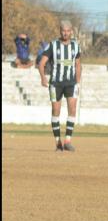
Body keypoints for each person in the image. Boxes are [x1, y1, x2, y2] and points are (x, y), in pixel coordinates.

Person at [38, 21, 82, 152]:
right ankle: (58, 142)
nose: (65, 33)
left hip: (71, 83)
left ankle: (68, 140)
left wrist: (78, 83)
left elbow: (78, 65)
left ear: (71, 31)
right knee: (56, 111)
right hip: (55, 84)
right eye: (63, 30)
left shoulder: (75, 46)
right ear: (60, 31)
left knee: (72, 109)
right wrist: (43, 77)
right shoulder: (53, 45)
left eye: (68, 30)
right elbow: (41, 63)